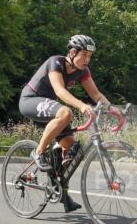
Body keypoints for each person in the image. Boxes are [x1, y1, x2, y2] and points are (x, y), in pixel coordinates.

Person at [19, 34, 112, 213]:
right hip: (31, 100)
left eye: (90, 56)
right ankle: (38, 152)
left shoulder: (83, 71)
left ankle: (60, 191)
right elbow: (60, 91)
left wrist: (114, 110)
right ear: (72, 52)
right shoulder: (55, 63)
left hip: (50, 109)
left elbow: (96, 95)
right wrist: (82, 106)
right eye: (84, 55)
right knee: (66, 112)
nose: (87, 60)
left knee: (70, 148)